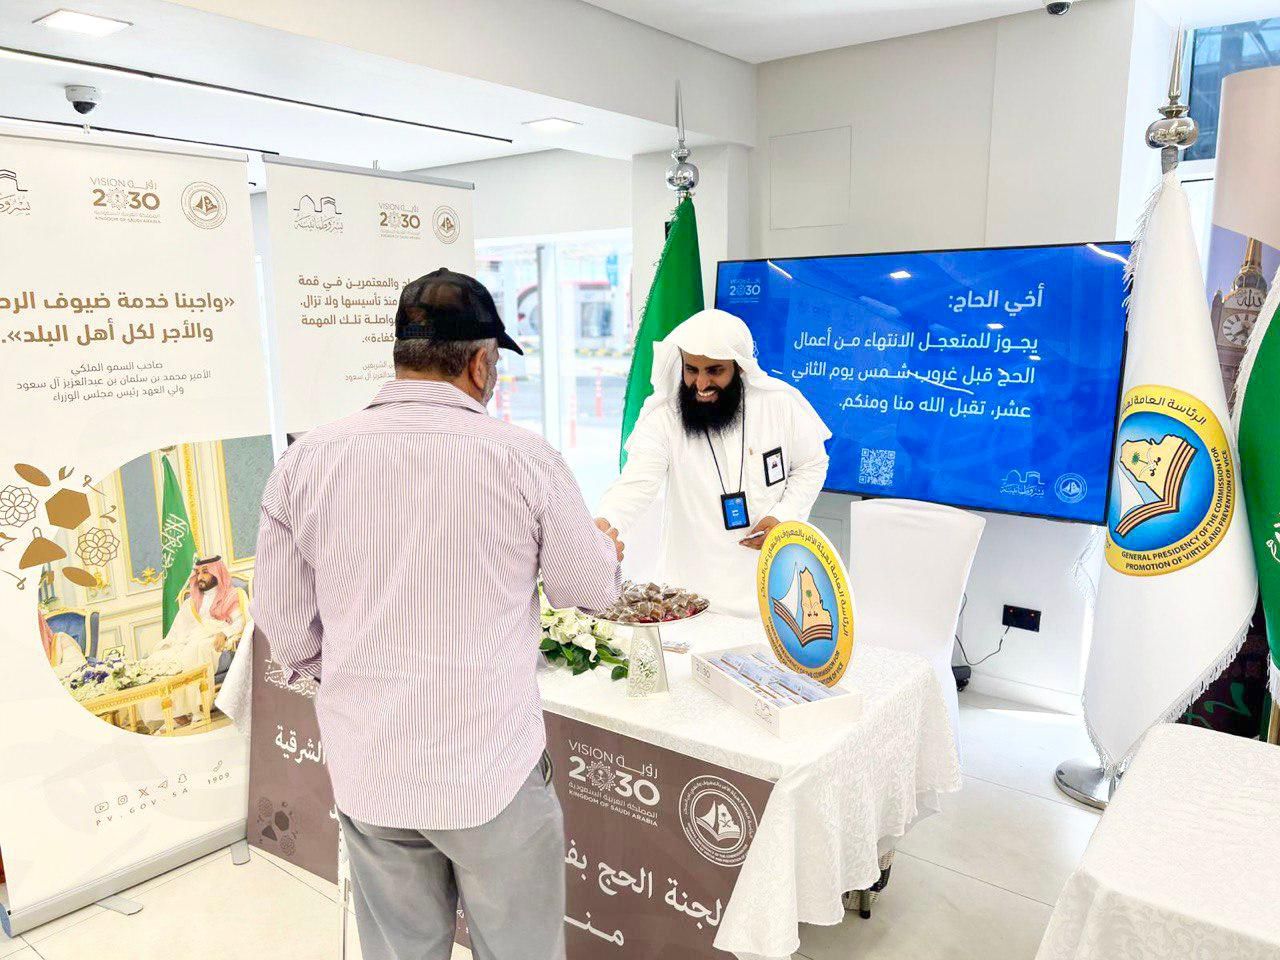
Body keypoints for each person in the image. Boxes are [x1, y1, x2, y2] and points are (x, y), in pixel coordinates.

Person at [251, 268, 621, 960]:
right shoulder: (525, 458)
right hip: (491, 769)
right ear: (480, 364)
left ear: (402, 355)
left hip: (371, 764)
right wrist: (602, 547)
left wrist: (357, 679)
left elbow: (284, 625)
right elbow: (589, 590)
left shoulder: (307, 461)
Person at [596, 308, 831, 617]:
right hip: (688, 597)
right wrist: (604, 523)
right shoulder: (664, 418)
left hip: (770, 587)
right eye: (691, 369)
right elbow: (636, 484)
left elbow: (811, 464)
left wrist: (783, 516)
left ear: (740, 367)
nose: (701, 383)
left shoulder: (779, 405)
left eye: (714, 371)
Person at [138, 555, 248, 728]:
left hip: (213, 641)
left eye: (205, 572)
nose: (200, 577)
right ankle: (176, 713)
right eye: (197, 573)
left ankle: (196, 709)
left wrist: (224, 633)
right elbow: (178, 630)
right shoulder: (191, 601)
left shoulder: (232, 595)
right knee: (159, 658)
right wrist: (172, 645)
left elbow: (241, 621)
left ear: (217, 573)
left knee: (194, 651)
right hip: (191, 639)